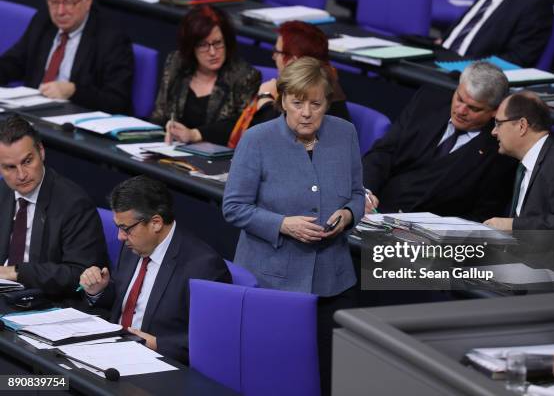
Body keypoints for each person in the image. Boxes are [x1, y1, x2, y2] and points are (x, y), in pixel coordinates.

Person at [223, 57, 364, 297]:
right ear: (283, 101)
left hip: (332, 280)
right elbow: (234, 207)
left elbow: (357, 194)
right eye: (297, 103)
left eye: (316, 104)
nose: (306, 113)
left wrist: (348, 215)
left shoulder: (345, 133)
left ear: (327, 103)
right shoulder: (257, 140)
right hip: (269, 282)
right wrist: (283, 225)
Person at [79, 175, 231, 364]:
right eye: (118, 228)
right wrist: (98, 291)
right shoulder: (134, 246)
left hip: (157, 364)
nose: (120, 237)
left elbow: (213, 340)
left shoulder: (204, 267)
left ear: (156, 223)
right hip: (111, 351)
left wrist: (157, 344)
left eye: (126, 229)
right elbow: (123, 303)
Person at [363, 61, 516, 221]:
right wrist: (365, 193)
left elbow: (482, 216)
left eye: (473, 108)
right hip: (376, 209)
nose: (460, 110)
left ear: (495, 111)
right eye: (459, 98)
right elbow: (383, 153)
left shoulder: (501, 150)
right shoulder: (427, 102)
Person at [0, 115, 108, 297]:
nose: (21, 175)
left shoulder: (73, 203)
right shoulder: (2, 192)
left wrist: (16, 272)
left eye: (27, 161)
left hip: (45, 302)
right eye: (10, 167)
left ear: (41, 152)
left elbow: (79, 273)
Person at [0, 0, 133, 114]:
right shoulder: (44, 20)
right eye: (53, 1)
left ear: (88, 0)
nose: (60, 11)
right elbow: (14, 62)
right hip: (33, 113)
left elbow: (117, 100)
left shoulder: (111, 38)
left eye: (69, 2)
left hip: (76, 123)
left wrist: (74, 91)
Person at [484, 92, 554, 231]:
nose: (493, 132)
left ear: (522, 126)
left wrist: (514, 226)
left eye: (498, 124)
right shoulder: (527, 161)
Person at [151, 5, 260, 146]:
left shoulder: (245, 76)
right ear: (191, 47)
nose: (213, 52)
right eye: (203, 45)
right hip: (171, 149)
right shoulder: (176, 63)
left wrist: (194, 134)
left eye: (218, 43)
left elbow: (239, 128)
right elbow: (160, 114)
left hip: (216, 158)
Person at [252, 21, 350, 125]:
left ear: (293, 61)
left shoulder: (313, 94)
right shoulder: (324, 78)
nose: (274, 57)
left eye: (277, 52)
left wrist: (265, 99)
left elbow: (272, 136)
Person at [440, 0, 554, 67]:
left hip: (466, 74)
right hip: (440, 55)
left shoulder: (536, 2)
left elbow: (517, 59)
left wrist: (467, 67)